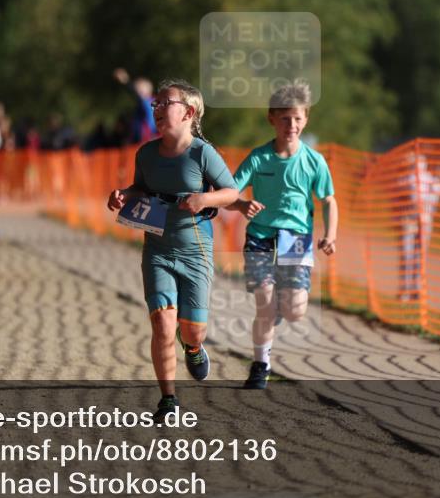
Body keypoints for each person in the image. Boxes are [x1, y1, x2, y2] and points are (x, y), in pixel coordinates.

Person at [106, 79, 238, 420]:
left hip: (196, 250)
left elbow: (232, 193)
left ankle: (192, 346)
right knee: (162, 326)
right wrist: (124, 194)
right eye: (156, 105)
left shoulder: (202, 153)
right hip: (158, 250)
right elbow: (140, 188)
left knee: (193, 329)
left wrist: (204, 198)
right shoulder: (146, 154)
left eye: (166, 103)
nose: (158, 109)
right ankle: (168, 399)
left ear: (189, 112)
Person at [227, 82, 338, 390]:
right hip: (260, 236)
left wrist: (331, 234)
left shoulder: (314, 161)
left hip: (296, 239)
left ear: (306, 120)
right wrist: (241, 204)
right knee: (264, 302)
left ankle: (278, 310)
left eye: (298, 118)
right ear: (271, 118)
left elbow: (328, 200)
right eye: (285, 118)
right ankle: (261, 364)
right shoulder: (258, 158)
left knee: (295, 311)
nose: (292, 125)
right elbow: (229, 192)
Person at [400, 154, 440, 301]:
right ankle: (405, 288)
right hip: (409, 221)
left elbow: (433, 199)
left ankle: (416, 288)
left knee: (420, 256)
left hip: (424, 221)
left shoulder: (432, 181)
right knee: (407, 255)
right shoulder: (405, 180)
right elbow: (401, 199)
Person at [114, 68, 157, 143]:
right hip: (141, 139)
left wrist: (126, 81)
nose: (137, 92)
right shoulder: (147, 103)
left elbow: (136, 94)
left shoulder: (147, 102)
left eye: (139, 90)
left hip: (144, 139)